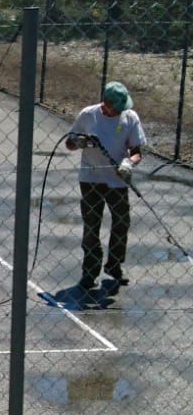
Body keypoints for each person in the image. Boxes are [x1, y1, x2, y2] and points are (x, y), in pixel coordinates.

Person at [66, 82, 146, 294]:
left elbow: (136, 151)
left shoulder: (130, 117)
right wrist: (79, 142)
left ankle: (114, 265)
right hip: (91, 179)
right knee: (91, 225)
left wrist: (128, 163)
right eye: (117, 107)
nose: (120, 111)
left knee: (121, 222)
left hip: (117, 180)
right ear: (106, 103)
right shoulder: (88, 115)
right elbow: (69, 142)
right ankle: (90, 271)